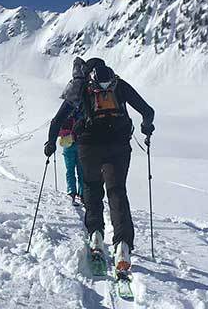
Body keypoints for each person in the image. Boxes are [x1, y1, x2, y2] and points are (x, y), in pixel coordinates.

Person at [44, 57, 155, 272]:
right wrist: (146, 128)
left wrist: (50, 144)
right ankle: (122, 244)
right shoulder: (118, 84)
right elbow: (148, 111)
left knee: (92, 188)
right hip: (119, 146)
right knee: (117, 191)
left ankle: (96, 236)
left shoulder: (82, 88)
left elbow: (57, 120)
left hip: (89, 147)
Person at [58, 110, 84, 205]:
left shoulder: (64, 115)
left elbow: (58, 130)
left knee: (70, 170)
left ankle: (71, 192)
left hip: (67, 144)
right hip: (80, 144)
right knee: (81, 171)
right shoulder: (81, 113)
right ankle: (82, 194)